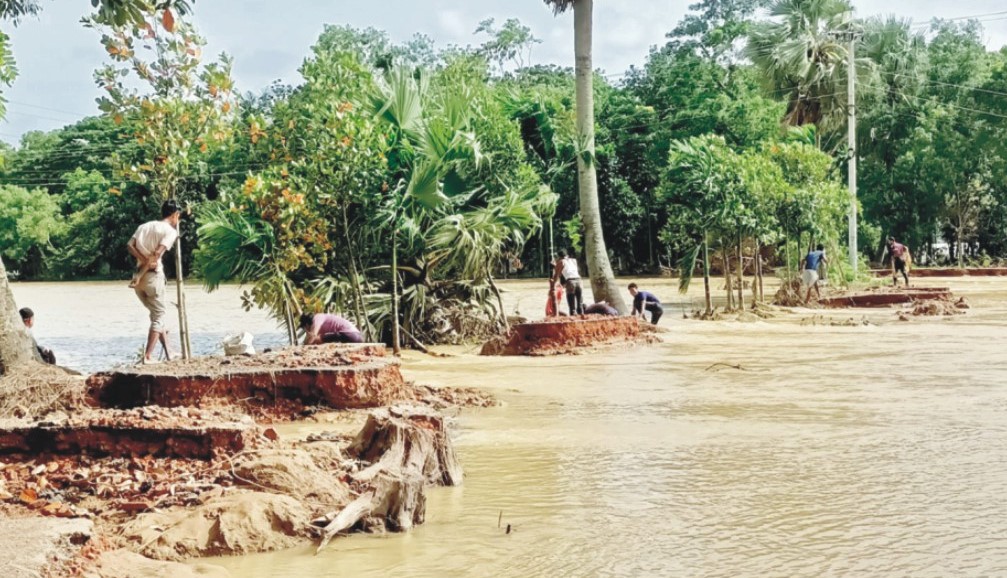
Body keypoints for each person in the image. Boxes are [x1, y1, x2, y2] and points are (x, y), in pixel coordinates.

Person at [127, 199, 181, 364]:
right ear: (175, 215)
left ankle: (169, 352)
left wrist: (141, 264)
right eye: (178, 215)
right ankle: (148, 356)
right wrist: (144, 269)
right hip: (152, 278)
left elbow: (130, 245)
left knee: (157, 316)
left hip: (139, 281)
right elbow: (157, 254)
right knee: (159, 317)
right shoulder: (170, 231)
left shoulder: (144, 226)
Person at [551, 249, 584, 315]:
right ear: (567, 255)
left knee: (572, 307)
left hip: (570, 282)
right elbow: (570, 270)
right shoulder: (574, 260)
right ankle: (582, 317)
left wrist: (553, 286)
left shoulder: (561, 262)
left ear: (559, 256)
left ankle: (573, 317)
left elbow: (556, 275)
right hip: (579, 281)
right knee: (580, 304)